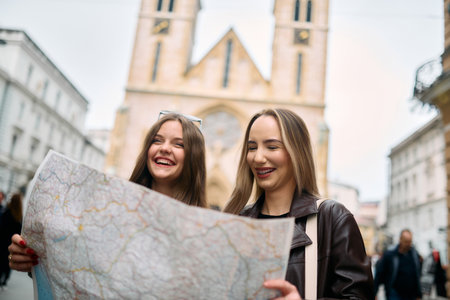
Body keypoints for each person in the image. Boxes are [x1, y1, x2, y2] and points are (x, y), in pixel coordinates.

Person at [8, 112, 207, 273]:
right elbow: (77, 266)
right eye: (157, 140)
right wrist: (29, 259)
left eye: (179, 144)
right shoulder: (109, 209)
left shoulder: (204, 233)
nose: (165, 148)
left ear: (193, 157)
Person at [224, 108, 374, 299]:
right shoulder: (236, 221)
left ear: (297, 152)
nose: (258, 158)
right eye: (252, 147)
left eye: (272, 147)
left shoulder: (332, 218)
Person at [374, 229, 422, 300]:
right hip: (394, 293)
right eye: (406, 242)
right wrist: (374, 293)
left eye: (410, 242)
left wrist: (419, 294)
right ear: (400, 240)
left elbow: (417, 275)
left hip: (411, 295)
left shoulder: (414, 255)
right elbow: (379, 274)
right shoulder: (390, 255)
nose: (408, 244)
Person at [0, 193, 23, 287]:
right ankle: (5, 279)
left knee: (1, 260)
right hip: (12, 242)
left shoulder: (6, 211)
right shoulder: (19, 216)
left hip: (2, 241)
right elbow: (19, 231)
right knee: (8, 260)